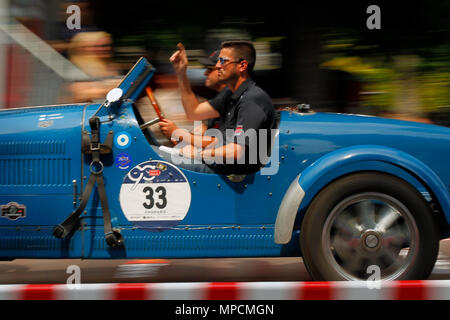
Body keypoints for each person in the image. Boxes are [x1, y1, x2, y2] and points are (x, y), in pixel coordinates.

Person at [169, 40, 275, 175]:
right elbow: (193, 113)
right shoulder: (229, 94)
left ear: (242, 66)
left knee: (154, 162)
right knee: (156, 155)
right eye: (218, 61)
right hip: (219, 167)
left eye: (223, 61)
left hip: (231, 176)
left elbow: (236, 151)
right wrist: (181, 73)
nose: (218, 66)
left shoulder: (252, 99)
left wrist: (198, 153)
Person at [159, 50, 225, 146]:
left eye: (210, 69)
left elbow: (218, 143)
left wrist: (177, 133)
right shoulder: (220, 98)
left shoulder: (229, 98)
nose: (205, 73)